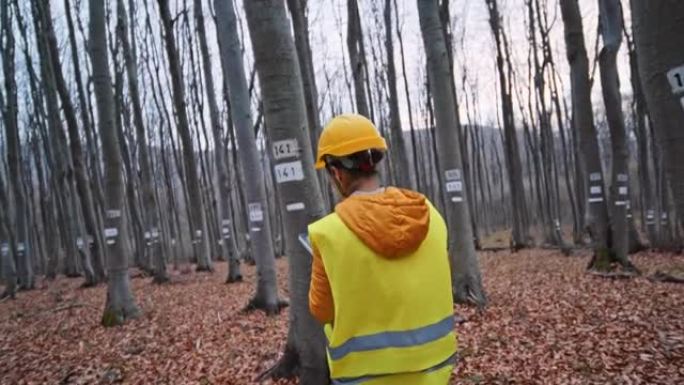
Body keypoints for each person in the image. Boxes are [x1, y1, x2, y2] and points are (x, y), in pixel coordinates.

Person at [308, 114, 457, 384]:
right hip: (435, 370)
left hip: (364, 377)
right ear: (375, 161)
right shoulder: (429, 214)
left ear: (336, 172)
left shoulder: (328, 234)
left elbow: (322, 310)